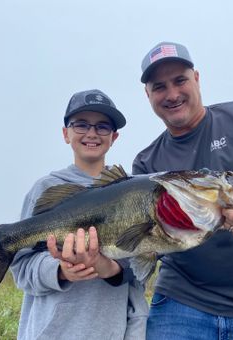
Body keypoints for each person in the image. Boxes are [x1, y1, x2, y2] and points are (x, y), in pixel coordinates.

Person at [133, 41, 233, 339]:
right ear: (148, 95)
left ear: (197, 78)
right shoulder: (146, 163)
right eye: (159, 87)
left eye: (180, 80)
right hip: (179, 304)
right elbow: (143, 243)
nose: (172, 94)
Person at [11, 89, 149, 340]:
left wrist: (110, 268)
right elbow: (21, 269)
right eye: (81, 124)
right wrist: (60, 270)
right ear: (66, 133)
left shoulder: (132, 192)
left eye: (102, 126)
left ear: (114, 137)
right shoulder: (45, 189)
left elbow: (137, 275)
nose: (92, 133)